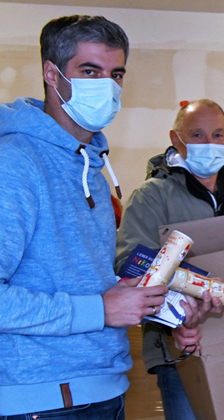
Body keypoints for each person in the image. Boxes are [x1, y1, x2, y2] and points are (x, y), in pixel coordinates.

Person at [0, 15, 168, 419]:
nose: (107, 87)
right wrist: (100, 309)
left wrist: (127, 292)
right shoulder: (15, 164)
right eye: (90, 71)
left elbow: (72, 277)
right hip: (43, 400)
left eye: (116, 74)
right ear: (51, 74)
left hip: (102, 388)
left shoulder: (90, 165)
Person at [115, 99, 224, 420]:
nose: (209, 144)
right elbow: (132, 268)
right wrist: (176, 324)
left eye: (218, 134)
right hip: (182, 351)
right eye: (197, 135)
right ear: (176, 139)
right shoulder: (151, 196)